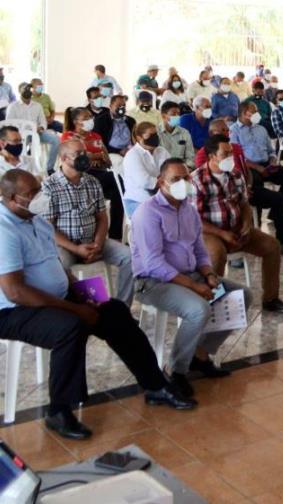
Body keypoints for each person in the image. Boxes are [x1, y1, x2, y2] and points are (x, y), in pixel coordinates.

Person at [0, 169, 195, 439]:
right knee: (71, 326)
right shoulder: (4, 230)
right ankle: (59, 410)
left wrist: (82, 294)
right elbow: (15, 291)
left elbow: (56, 265)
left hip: (56, 298)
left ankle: (155, 386)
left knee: (114, 310)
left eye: (38, 190)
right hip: (15, 311)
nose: (39, 197)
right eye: (31, 194)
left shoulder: (38, 222)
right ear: (11, 198)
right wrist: (76, 309)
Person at [131, 159, 250, 397]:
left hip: (190, 274)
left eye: (185, 178)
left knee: (241, 296)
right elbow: (153, 263)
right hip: (153, 282)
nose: (183, 184)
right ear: (161, 182)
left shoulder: (188, 210)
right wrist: (194, 286)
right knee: (198, 309)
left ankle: (200, 355)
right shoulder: (148, 212)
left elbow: (199, 250)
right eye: (176, 180)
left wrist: (208, 274)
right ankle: (175, 370)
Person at [192, 135, 283, 312]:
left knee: (272, 246)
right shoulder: (197, 180)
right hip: (209, 232)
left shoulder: (235, 174)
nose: (230, 157)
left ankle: (271, 299)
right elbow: (195, 220)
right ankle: (211, 303)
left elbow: (243, 203)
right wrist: (223, 234)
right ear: (211, 157)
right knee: (217, 255)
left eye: (231, 153)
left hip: (236, 227)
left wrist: (247, 224)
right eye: (225, 154)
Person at [43, 140, 134, 303]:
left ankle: (121, 308)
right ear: (64, 158)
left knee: (130, 258)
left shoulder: (92, 182)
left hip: (93, 242)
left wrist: (98, 244)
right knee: (56, 269)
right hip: (65, 246)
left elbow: (102, 217)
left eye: (85, 153)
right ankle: (85, 311)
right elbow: (48, 227)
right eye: (78, 154)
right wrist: (76, 249)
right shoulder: (49, 186)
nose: (85, 157)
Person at [229, 102, 283, 256]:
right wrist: (257, 168)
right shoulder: (233, 131)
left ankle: (275, 213)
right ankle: (258, 226)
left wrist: (273, 161)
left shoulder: (261, 128)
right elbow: (237, 158)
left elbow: (271, 149)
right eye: (253, 111)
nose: (257, 114)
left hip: (266, 164)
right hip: (248, 169)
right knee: (265, 192)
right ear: (244, 113)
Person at [61, 108, 125, 241]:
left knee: (117, 188)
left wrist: (93, 157)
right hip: (77, 176)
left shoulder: (96, 136)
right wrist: (96, 156)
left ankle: (115, 235)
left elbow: (107, 162)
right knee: (107, 182)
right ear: (75, 121)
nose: (91, 120)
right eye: (85, 118)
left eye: (91, 117)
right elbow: (78, 161)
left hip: (99, 174)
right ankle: (93, 234)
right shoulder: (69, 136)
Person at [5, 84, 59, 173]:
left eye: (29, 89)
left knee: (56, 140)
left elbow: (42, 120)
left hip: (37, 133)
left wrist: (41, 128)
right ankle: (24, 168)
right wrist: (22, 132)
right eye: (24, 89)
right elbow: (9, 125)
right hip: (21, 135)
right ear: (19, 91)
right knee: (25, 147)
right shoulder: (13, 106)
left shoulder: (37, 105)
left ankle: (49, 168)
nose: (27, 91)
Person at [123, 122, 170, 216]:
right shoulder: (132, 155)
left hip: (160, 198)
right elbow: (145, 181)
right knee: (162, 215)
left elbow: (172, 172)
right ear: (139, 138)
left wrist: (168, 179)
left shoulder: (161, 151)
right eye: (150, 135)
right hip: (137, 202)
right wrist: (166, 180)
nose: (155, 137)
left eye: (156, 134)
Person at [158, 102, 195, 169]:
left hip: (183, 168)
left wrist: (187, 168)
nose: (177, 116)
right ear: (163, 116)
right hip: (163, 170)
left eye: (178, 114)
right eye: (173, 114)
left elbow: (190, 156)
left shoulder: (184, 133)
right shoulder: (156, 133)